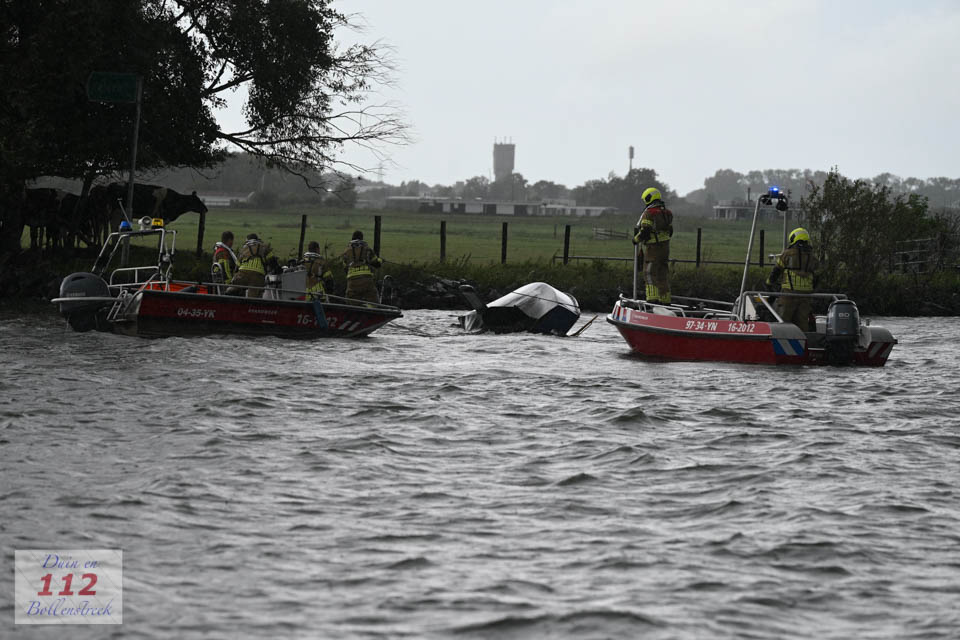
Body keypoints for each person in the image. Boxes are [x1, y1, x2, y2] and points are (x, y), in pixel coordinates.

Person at [766, 227, 819, 331]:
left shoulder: (787, 254)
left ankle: (782, 343)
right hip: (806, 296)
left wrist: (769, 283)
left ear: (794, 239)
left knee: (783, 322)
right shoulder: (812, 257)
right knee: (802, 323)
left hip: (788, 294)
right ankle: (803, 343)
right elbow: (817, 277)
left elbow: (777, 270)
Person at [632, 187, 674, 304]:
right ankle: (665, 300)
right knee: (662, 273)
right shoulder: (667, 213)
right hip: (665, 248)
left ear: (648, 198)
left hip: (653, 248)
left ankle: (652, 300)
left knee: (649, 272)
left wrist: (636, 239)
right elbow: (670, 231)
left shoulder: (649, 213)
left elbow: (645, 230)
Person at [340, 230, 382, 303]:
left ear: (352, 239)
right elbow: (377, 264)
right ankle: (374, 311)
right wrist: (380, 260)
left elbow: (345, 268)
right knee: (373, 299)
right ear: (362, 238)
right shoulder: (367, 249)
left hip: (352, 282)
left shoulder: (346, 251)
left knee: (351, 302)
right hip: (366, 280)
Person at [229, 233, 274, 298]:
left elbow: (237, 266)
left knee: (234, 289)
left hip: (242, 273)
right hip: (258, 275)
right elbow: (272, 261)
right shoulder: (264, 247)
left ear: (247, 240)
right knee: (253, 299)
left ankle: (230, 299)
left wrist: (235, 277)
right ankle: (252, 307)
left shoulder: (244, 248)